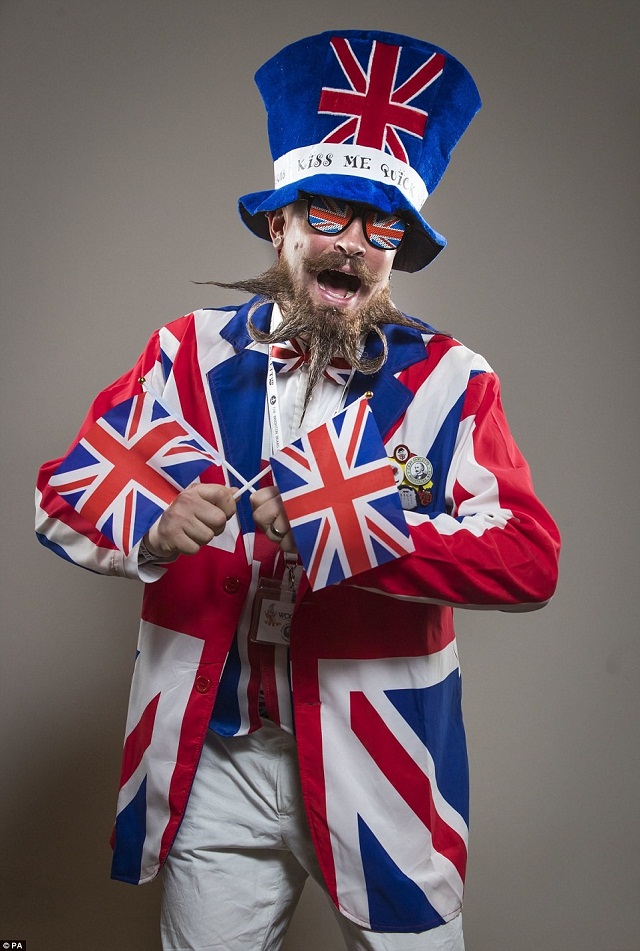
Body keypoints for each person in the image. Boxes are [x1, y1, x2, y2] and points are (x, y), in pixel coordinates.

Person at [35, 29, 560, 951]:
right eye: (328, 215)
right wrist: (149, 530)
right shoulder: (183, 357)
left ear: (397, 253)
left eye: (381, 227)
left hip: (385, 763)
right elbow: (62, 493)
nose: (352, 246)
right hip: (217, 762)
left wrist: (352, 524)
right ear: (280, 226)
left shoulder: (450, 380)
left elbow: (527, 554)